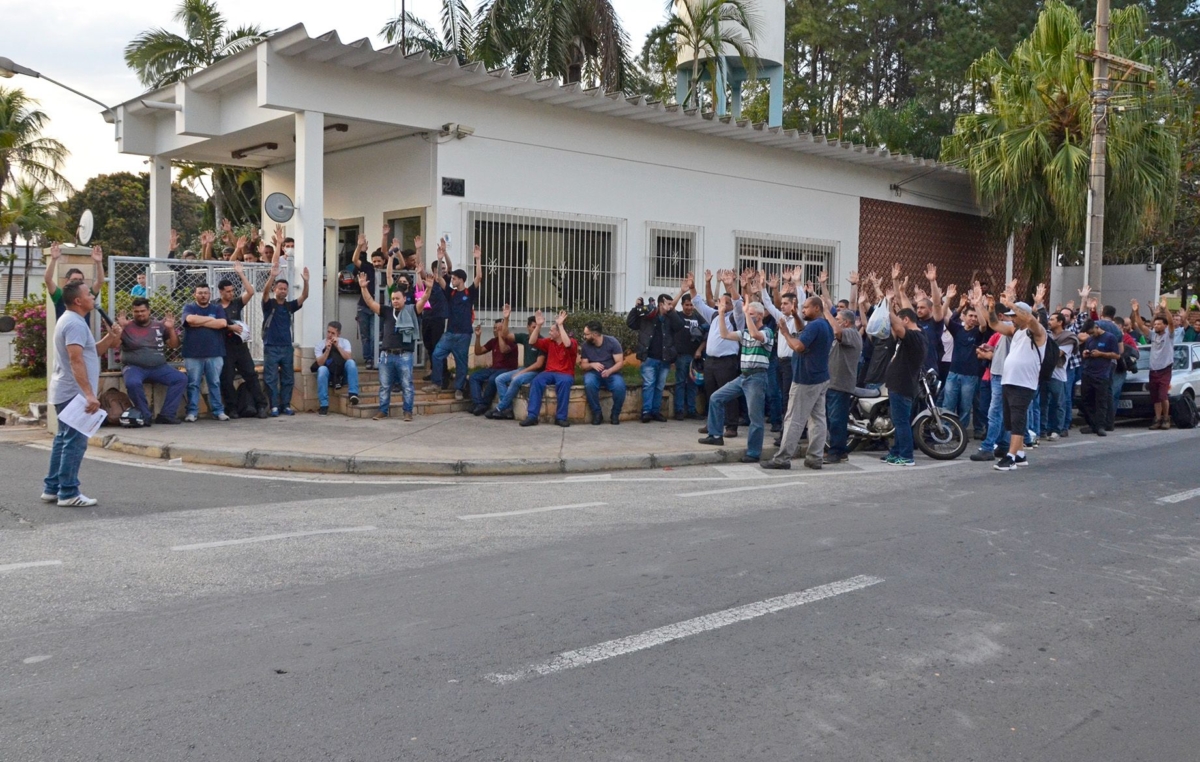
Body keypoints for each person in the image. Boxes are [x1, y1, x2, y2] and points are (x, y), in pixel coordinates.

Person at [42, 283, 123, 508]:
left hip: (66, 391)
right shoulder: (74, 323)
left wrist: (110, 337)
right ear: (78, 300)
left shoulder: (73, 320)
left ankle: (52, 488)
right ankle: (68, 492)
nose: (93, 297)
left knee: (63, 440)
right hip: (74, 393)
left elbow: (91, 352)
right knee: (75, 442)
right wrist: (89, 394)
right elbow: (75, 359)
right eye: (88, 294)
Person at [975, 286, 1046, 471]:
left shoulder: (1038, 332)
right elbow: (994, 325)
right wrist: (991, 307)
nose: (1011, 319)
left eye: (1014, 316)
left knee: (1018, 420)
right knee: (1011, 420)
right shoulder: (1015, 332)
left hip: (1024, 383)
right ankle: (1020, 454)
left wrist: (1011, 304)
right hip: (1008, 380)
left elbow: (1030, 318)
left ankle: (1011, 457)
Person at [698, 300, 773, 462]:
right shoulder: (745, 333)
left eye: (752, 314)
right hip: (744, 376)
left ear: (760, 316)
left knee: (755, 417)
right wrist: (721, 313)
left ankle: (753, 453)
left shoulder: (767, 332)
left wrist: (745, 313)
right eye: (749, 313)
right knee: (716, 398)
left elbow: (756, 335)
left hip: (757, 377)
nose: (749, 316)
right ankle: (715, 434)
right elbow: (724, 334)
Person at [763, 296, 832, 470]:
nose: (803, 310)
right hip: (820, 377)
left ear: (817, 308)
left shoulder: (816, 325)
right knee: (818, 419)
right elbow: (804, 334)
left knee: (793, 418)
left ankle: (782, 458)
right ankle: (815, 457)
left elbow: (799, 346)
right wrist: (795, 316)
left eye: (806, 308)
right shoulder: (824, 325)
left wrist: (785, 332)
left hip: (806, 379)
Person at [359, 271, 424, 421]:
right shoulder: (387, 311)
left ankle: (407, 412)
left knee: (407, 385)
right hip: (386, 355)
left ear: (404, 299)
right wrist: (363, 288)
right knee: (385, 385)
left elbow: (423, 301)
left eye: (397, 298)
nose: (394, 301)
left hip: (404, 355)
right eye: (393, 298)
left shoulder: (411, 310)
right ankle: (383, 410)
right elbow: (370, 302)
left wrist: (427, 290)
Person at [424, 244, 483, 400]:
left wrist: (478, 259)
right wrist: (439, 258)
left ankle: (459, 389)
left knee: (461, 363)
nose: (453, 280)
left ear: (461, 280)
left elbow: (479, 278)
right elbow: (439, 279)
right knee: (436, 355)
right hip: (449, 333)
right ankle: (436, 383)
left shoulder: (469, 293)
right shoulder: (450, 293)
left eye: (455, 278)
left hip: (464, 334)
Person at [692, 270, 746, 439]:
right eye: (721, 301)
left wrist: (730, 286)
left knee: (728, 394)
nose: (721, 304)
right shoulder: (715, 315)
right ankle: (713, 424)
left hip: (726, 362)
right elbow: (698, 304)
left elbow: (739, 304)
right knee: (712, 394)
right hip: (711, 362)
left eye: (725, 302)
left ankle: (731, 426)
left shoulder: (735, 318)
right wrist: (692, 287)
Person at [118, 298, 185, 425]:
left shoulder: (159, 326)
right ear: (132, 312)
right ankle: (145, 415)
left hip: (159, 367)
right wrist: (121, 328)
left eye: (143, 311)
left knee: (180, 379)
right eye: (136, 311)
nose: (140, 314)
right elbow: (114, 344)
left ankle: (167, 415)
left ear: (149, 311)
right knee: (132, 383)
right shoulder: (127, 326)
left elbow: (174, 345)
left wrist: (171, 329)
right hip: (134, 367)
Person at [217, 263, 269, 419]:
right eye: (227, 292)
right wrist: (229, 327)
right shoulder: (215, 306)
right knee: (227, 379)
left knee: (251, 375)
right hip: (225, 347)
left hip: (240, 346)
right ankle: (231, 408)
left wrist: (241, 274)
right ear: (220, 292)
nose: (231, 294)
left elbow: (251, 292)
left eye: (232, 291)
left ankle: (261, 406)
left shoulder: (236, 303)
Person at [261, 258, 310, 416]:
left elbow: (304, 297)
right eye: (280, 288)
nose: (282, 291)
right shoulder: (269, 305)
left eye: (285, 289)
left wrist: (306, 282)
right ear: (275, 289)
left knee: (288, 378)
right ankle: (274, 406)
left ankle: (286, 405)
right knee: (271, 378)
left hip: (287, 348)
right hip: (271, 347)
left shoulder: (289, 306)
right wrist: (272, 277)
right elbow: (264, 294)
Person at [883, 304, 927, 466]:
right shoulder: (912, 337)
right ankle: (896, 451)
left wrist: (887, 309)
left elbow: (900, 329)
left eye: (898, 321)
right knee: (898, 421)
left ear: (906, 320)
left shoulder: (916, 337)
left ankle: (906, 456)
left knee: (901, 422)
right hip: (897, 385)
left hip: (903, 385)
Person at [628, 292, 683, 423]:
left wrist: (670, 312)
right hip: (649, 357)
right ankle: (646, 412)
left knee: (659, 386)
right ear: (660, 304)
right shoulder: (648, 315)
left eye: (671, 304)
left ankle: (655, 411)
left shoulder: (671, 318)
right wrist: (635, 309)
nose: (671, 306)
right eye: (668, 304)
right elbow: (631, 323)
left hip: (665, 358)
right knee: (649, 384)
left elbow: (679, 326)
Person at [181, 283, 230, 422]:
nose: (203, 295)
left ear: (210, 294)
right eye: (200, 293)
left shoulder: (217, 308)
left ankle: (218, 411)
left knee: (214, 382)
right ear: (195, 295)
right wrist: (211, 320)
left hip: (215, 353)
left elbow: (222, 324)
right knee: (193, 384)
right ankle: (192, 412)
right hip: (193, 354)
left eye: (206, 293)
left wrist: (199, 322)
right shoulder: (189, 307)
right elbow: (189, 319)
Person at [520, 310, 578, 428]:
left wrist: (560, 325)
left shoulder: (572, 342)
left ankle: (561, 418)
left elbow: (567, 345)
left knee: (564, 383)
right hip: (549, 372)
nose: (549, 333)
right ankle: (532, 416)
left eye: (552, 330)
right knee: (536, 381)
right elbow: (532, 341)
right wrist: (539, 325)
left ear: (558, 332)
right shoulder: (549, 342)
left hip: (565, 373)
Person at [824, 303, 863, 465]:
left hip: (840, 384)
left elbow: (838, 331)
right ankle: (836, 449)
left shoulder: (851, 333)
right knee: (831, 419)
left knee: (837, 420)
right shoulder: (841, 334)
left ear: (846, 322)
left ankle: (837, 452)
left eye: (838, 319)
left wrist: (827, 312)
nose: (835, 321)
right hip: (831, 383)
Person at [487, 315, 546, 420]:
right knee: (499, 379)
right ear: (528, 327)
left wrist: (521, 372)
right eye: (533, 327)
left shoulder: (542, 341)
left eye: (538, 327)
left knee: (515, 380)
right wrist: (506, 318)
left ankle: (500, 408)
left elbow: (539, 364)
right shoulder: (525, 338)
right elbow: (505, 335)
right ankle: (508, 410)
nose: (536, 329)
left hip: (535, 372)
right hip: (524, 369)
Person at [942, 300, 986, 436]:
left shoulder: (977, 333)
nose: (973, 319)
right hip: (953, 373)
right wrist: (959, 306)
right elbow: (943, 318)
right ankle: (945, 430)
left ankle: (961, 432)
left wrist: (978, 305)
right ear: (964, 317)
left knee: (965, 406)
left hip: (970, 375)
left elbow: (984, 325)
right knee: (948, 403)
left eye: (975, 316)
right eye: (970, 316)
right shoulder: (958, 330)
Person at [1131, 298, 1174, 430]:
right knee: (1155, 397)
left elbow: (1171, 322)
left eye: (1159, 324)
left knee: (1163, 396)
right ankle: (1157, 419)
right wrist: (1136, 312)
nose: (1155, 326)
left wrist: (1164, 309)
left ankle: (1166, 418)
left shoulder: (1169, 335)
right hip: (1153, 370)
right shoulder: (1153, 335)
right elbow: (1141, 325)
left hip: (1165, 369)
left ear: (1164, 326)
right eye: (1154, 325)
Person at [469, 309, 519, 416]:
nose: (496, 330)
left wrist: (501, 335)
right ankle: (478, 403)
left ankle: (485, 404)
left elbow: (503, 350)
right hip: (494, 368)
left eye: (499, 328)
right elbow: (478, 352)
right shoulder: (493, 341)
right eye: (495, 328)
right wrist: (478, 337)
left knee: (493, 379)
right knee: (474, 377)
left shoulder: (511, 340)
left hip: (507, 369)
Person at [1078, 319, 1121, 436]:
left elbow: (1116, 355)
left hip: (1102, 374)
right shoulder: (1090, 339)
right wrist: (1086, 354)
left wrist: (1101, 354)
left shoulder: (1110, 337)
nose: (1091, 335)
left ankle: (1101, 425)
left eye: (1092, 332)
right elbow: (1086, 351)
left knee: (1101, 401)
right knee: (1086, 400)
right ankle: (1093, 424)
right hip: (1088, 373)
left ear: (1097, 327)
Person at [352, 229, 387, 368]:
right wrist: (359, 246)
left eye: (379, 261)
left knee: (375, 335)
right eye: (374, 261)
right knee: (365, 335)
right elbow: (355, 260)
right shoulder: (367, 267)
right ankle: (368, 359)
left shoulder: (387, 272)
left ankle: (376, 359)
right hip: (363, 307)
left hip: (378, 308)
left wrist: (384, 236)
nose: (377, 263)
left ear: (384, 261)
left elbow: (401, 266)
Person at [580, 320, 627, 425]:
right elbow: (583, 365)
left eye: (587, 334)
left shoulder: (612, 342)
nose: (584, 336)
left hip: (612, 373)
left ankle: (615, 414)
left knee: (620, 386)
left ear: (595, 334)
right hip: (593, 373)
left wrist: (609, 371)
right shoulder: (586, 346)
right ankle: (597, 414)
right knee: (589, 383)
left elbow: (620, 363)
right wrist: (592, 365)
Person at [44, 243, 105, 319]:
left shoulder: (87, 295)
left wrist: (99, 262)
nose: (77, 282)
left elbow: (100, 282)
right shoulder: (60, 295)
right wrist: (54, 259)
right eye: (74, 280)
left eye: (80, 280)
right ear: (67, 280)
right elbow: (48, 280)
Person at [1042, 312, 1078, 441]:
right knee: (1043, 403)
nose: (1049, 322)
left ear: (1060, 322)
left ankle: (1057, 429)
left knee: (1058, 403)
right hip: (1044, 374)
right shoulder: (1047, 335)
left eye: (1052, 320)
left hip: (1058, 375)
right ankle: (1043, 429)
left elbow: (1057, 354)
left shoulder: (1068, 338)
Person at [672, 290, 706, 420]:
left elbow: (707, 335)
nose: (689, 307)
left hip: (695, 356)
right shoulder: (679, 316)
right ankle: (679, 410)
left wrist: (699, 350)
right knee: (680, 382)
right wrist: (681, 291)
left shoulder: (698, 317)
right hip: (681, 356)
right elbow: (671, 308)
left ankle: (692, 410)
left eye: (691, 305)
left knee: (693, 383)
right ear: (682, 305)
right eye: (687, 305)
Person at [314, 321, 360, 416]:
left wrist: (337, 346)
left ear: (338, 334)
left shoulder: (345, 342)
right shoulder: (319, 344)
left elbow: (348, 357)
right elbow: (320, 363)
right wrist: (327, 350)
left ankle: (353, 394)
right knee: (322, 370)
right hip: (329, 374)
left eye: (333, 333)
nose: (329, 335)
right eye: (328, 332)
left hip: (342, 374)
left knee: (351, 363)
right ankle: (324, 405)